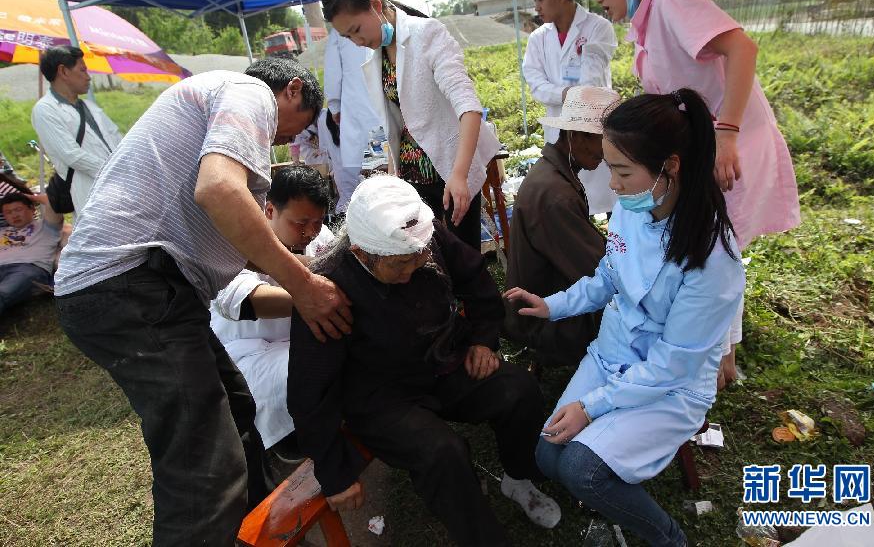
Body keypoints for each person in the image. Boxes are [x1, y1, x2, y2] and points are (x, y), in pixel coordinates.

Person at [53, 59, 352, 546]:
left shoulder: (208, 101)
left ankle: (241, 530)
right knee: (204, 468)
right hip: (129, 286)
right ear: (292, 90)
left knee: (237, 410)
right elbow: (217, 189)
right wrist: (303, 286)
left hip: (148, 289)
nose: (290, 137)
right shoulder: (249, 92)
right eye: (304, 119)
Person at [505, 89, 745, 547]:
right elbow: (607, 277)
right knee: (549, 453)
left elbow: (674, 364)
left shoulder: (713, 262)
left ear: (669, 168)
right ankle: (613, 469)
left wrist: (592, 407)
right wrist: (553, 304)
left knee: (580, 468)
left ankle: (669, 538)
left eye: (621, 171)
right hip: (613, 354)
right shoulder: (634, 210)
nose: (612, 184)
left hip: (670, 385)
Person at [288, 175, 561, 546]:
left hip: (445, 360)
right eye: (399, 265)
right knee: (441, 452)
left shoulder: (422, 237)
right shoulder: (326, 289)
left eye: (419, 258)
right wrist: (334, 473)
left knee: (518, 389)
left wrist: (482, 340)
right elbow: (309, 390)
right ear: (361, 254)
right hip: (381, 396)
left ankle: (518, 476)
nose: (413, 268)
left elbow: (475, 278)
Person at [581, 0, 800, 387]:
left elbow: (741, 48)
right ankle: (719, 353)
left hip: (730, 147)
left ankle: (717, 357)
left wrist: (728, 132)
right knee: (712, 243)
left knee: (715, 247)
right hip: (708, 149)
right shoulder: (647, 19)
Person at [322, 0, 502, 250]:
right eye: (348, 37)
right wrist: (392, 174)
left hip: (448, 168)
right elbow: (395, 121)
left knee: (462, 255)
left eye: (357, 30)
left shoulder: (427, 34)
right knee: (424, 255)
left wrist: (459, 175)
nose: (356, 41)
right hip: (411, 172)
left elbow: (468, 107)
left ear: (376, 6)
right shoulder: (376, 55)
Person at [210, 164, 334, 453]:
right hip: (249, 350)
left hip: (297, 340)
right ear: (269, 211)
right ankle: (291, 444)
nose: (310, 232)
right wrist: (314, 296)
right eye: (301, 223)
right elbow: (243, 300)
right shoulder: (237, 241)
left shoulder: (321, 237)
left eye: (318, 221)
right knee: (306, 370)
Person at [504, 86, 619, 368]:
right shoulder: (556, 195)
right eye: (600, 141)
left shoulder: (552, 172)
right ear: (575, 135)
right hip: (542, 319)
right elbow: (599, 270)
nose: (605, 153)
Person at [523, 0, 619, 216]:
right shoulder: (538, 38)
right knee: (568, 200)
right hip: (558, 132)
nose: (537, 7)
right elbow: (534, 82)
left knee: (610, 196)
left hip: (593, 129)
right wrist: (564, 94)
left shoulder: (598, 28)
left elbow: (592, 82)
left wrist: (570, 95)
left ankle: (616, 248)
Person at [31, 46, 123, 216]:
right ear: (63, 72)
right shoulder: (45, 109)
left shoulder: (89, 106)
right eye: (83, 70)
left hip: (119, 187)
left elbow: (119, 139)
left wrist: (129, 168)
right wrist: (114, 172)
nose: (88, 77)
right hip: (90, 192)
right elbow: (72, 155)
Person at [324, 27, 381, 212]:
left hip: (357, 107)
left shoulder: (339, 30)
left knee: (366, 173)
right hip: (384, 103)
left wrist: (335, 105)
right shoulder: (382, 19)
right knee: (387, 166)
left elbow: (333, 70)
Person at [0, 193, 62, 315]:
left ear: (32, 209)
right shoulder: (2, 231)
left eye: (18, 209)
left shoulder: (47, 228)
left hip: (28, 269)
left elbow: (54, 202)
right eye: (8, 212)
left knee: (3, 292)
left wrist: (31, 197)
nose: (14, 215)